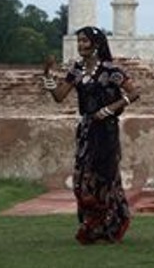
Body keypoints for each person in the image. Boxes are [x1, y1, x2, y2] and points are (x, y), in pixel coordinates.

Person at [42, 26, 140, 244]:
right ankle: (92, 223)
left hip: (106, 131)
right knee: (81, 180)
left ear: (96, 44)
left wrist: (110, 109)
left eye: (85, 41)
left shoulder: (110, 70)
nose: (81, 45)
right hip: (86, 130)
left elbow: (134, 93)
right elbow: (59, 96)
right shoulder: (76, 71)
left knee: (105, 179)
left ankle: (108, 227)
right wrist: (47, 77)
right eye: (79, 41)